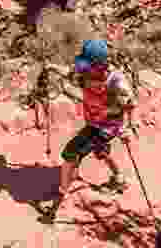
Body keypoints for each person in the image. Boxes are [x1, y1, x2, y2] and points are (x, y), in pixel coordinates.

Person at [44, 39, 136, 216]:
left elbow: (130, 104)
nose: (84, 69)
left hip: (107, 127)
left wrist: (129, 127)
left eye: (88, 65)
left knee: (70, 153)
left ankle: (60, 196)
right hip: (93, 121)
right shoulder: (84, 72)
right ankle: (119, 178)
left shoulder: (116, 81)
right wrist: (52, 67)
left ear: (101, 65)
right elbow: (69, 74)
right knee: (101, 151)